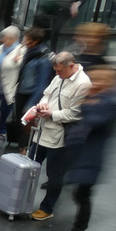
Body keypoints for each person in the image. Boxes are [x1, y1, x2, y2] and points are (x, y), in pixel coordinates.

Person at [40, 65, 116, 231]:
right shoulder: (99, 100)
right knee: (80, 195)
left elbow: (95, 121)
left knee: (83, 196)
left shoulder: (112, 103)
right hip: (81, 153)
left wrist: (90, 103)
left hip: (92, 158)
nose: (95, 84)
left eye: (99, 80)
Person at [22, 51, 91, 180]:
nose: (57, 74)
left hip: (58, 138)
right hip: (42, 132)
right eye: (56, 71)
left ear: (71, 66)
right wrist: (43, 104)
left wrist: (51, 114)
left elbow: (74, 114)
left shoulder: (83, 84)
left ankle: (49, 200)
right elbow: (47, 94)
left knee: (54, 173)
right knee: (30, 165)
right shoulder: (59, 76)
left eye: (60, 71)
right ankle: (24, 196)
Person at [10, 27, 54, 145]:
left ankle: (24, 149)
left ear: (36, 41)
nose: (24, 42)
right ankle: (21, 147)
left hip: (30, 95)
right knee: (20, 122)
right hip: (21, 92)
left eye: (27, 39)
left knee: (26, 124)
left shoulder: (43, 59)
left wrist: (31, 103)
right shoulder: (29, 53)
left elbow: (42, 83)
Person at [0, 25, 25, 137]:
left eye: (6, 37)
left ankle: (2, 130)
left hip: (10, 86)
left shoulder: (21, 50)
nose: (3, 40)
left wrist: (17, 62)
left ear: (14, 39)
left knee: (5, 111)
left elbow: (20, 65)